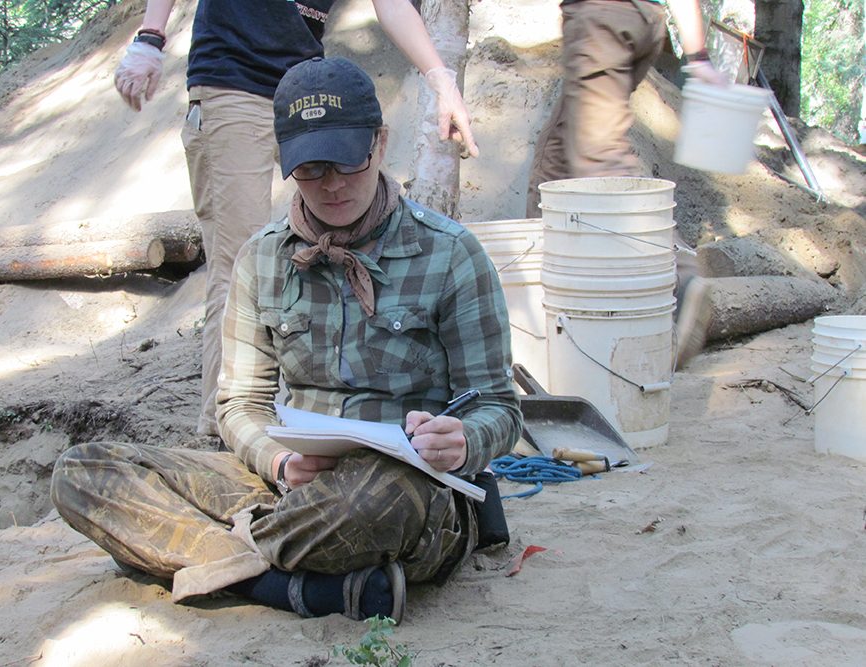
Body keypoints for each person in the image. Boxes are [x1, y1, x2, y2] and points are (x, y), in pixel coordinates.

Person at [52, 56, 522, 623]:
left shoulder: (450, 254)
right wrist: (277, 464)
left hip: (403, 487)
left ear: (380, 143)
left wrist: (462, 441)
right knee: (83, 473)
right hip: (289, 486)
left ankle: (230, 562)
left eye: (348, 162)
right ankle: (302, 586)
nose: (332, 185)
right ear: (284, 161)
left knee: (376, 502)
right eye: (310, 167)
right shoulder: (262, 260)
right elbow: (239, 404)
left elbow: (498, 407)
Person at [114, 0, 479, 438]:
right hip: (231, 82)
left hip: (306, 90)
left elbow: (393, 4)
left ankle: (333, 421)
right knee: (238, 267)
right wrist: (151, 37)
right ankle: (225, 433)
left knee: (342, 240)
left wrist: (440, 80)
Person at [525, 0, 726, 367]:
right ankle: (542, 325)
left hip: (601, 17)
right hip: (643, 18)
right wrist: (697, 56)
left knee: (601, 165)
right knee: (554, 170)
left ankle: (674, 275)